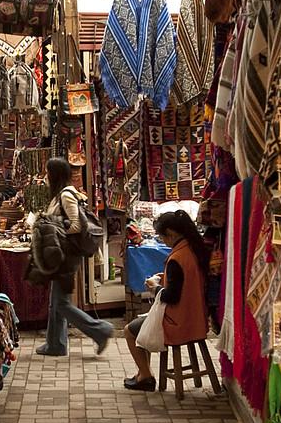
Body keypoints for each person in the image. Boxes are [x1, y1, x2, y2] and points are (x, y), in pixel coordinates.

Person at [124, 209, 212, 391]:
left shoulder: (177, 258)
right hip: (198, 318)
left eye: (163, 237)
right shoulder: (195, 249)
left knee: (130, 330)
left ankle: (146, 375)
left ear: (171, 234)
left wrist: (154, 287)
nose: (163, 241)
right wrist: (164, 277)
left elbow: (171, 296)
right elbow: (188, 281)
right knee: (142, 325)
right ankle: (142, 374)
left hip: (178, 322)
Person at [36, 157, 112, 357]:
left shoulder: (66, 195)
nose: (45, 176)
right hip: (60, 253)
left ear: (55, 175)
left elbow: (77, 225)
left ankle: (99, 329)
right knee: (56, 301)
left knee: (61, 303)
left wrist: (50, 227)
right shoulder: (58, 196)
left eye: (47, 172)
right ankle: (55, 344)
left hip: (66, 255)